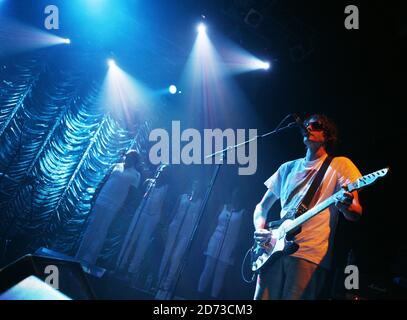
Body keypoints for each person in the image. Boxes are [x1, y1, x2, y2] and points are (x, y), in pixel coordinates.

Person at [253, 114, 363, 300]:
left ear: (328, 136)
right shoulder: (288, 167)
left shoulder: (340, 165)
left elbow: (356, 212)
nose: (309, 128)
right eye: (307, 125)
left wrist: (345, 207)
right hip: (272, 250)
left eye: (316, 126)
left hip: (309, 254)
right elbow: (261, 207)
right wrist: (259, 230)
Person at [75, 150, 142, 265]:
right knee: (91, 226)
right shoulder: (116, 166)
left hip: (115, 204)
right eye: (127, 156)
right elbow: (104, 180)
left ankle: (89, 260)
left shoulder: (136, 175)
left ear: (135, 160)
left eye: (131, 157)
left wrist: (124, 207)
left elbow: (132, 194)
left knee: (102, 230)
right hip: (102, 198)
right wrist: (95, 195)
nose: (128, 158)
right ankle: (79, 256)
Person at [155, 179, 204, 300]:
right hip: (174, 227)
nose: (195, 187)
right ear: (192, 185)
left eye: (198, 186)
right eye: (194, 184)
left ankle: (167, 284)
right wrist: (166, 226)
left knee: (176, 257)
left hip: (186, 232)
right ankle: (159, 281)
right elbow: (173, 212)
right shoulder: (182, 197)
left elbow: (198, 220)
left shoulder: (201, 202)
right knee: (167, 254)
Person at [198, 187, 245, 299]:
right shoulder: (223, 207)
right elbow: (213, 224)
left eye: (237, 195)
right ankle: (198, 295)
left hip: (230, 244)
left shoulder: (243, 213)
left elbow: (242, 233)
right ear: (232, 195)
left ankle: (213, 297)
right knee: (208, 268)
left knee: (220, 273)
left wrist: (236, 248)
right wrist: (206, 240)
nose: (235, 197)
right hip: (216, 239)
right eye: (234, 194)